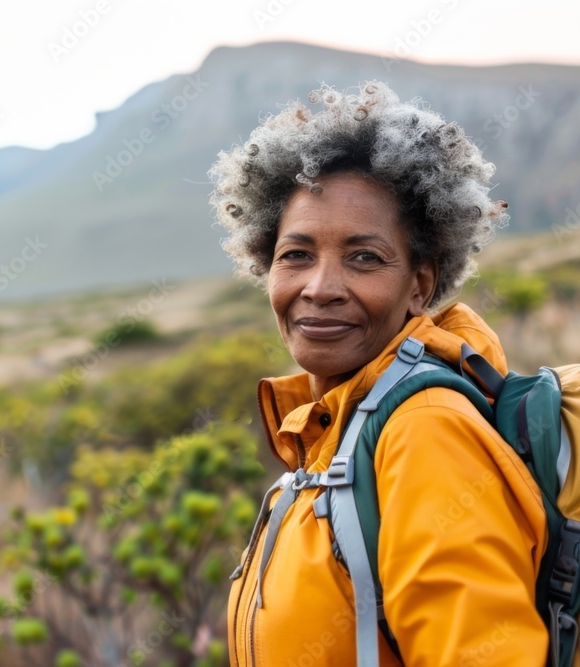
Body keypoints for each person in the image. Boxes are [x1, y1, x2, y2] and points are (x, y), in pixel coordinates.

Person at [209, 81, 549, 666]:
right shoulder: (330, 435)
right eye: (297, 254)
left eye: (364, 257)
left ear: (419, 285)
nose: (320, 288)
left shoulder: (424, 431)